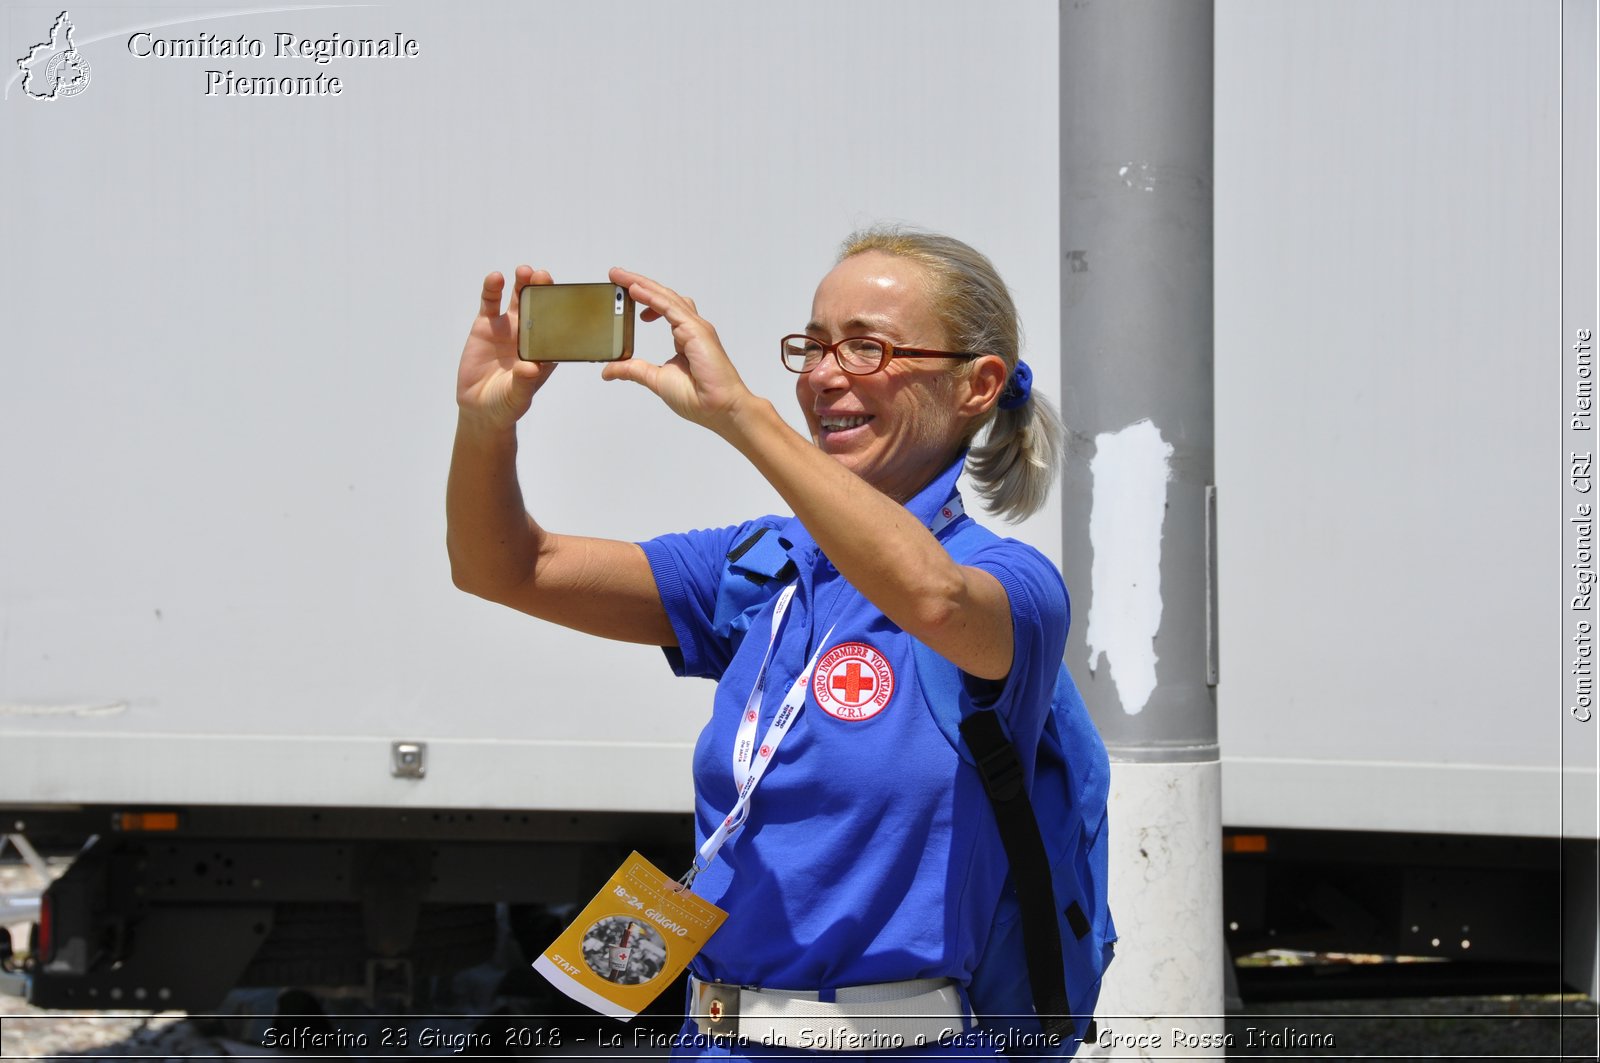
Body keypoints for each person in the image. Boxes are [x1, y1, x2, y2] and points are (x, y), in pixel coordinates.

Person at [448, 226, 1077, 1059]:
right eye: (814, 345)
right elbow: (506, 568)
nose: (822, 376)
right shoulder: (766, 565)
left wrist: (742, 416)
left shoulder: (1010, 584)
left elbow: (933, 596)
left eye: (866, 348)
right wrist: (485, 425)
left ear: (978, 385)